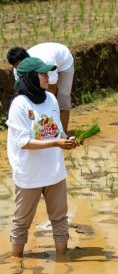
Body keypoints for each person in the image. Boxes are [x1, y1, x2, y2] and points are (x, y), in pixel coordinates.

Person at [6, 58, 77, 260]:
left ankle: (62, 258)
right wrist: (56, 143)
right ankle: (16, 262)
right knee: (22, 221)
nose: (48, 76)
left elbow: (57, 131)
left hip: (54, 171)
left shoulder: (50, 99)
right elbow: (23, 142)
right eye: (43, 74)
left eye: (48, 73)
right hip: (29, 173)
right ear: (30, 78)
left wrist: (66, 139)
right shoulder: (20, 105)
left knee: (60, 218)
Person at [7, 43, 75, 132]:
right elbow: (22, 91)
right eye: (16, 67)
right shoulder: (18, 70)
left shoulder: (46, 61)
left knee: (62, 99)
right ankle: (43, 132)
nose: (19, 68)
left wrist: (46, 107)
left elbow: (52, 88)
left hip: (64, 63)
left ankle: (62, 135)